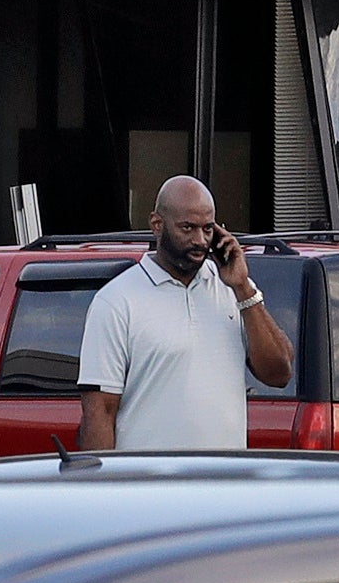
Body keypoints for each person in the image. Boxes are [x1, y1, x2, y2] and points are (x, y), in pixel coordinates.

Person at [75, 174, 295, 450]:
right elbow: (100, 413)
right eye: (187, 228)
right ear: (157, 224)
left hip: (222, 484)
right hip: (148, 486)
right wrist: (102, 487)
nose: (200, 240)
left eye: (207, 229)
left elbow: (279, 373)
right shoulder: (116, 301)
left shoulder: (234, 290)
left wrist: (242, 288)